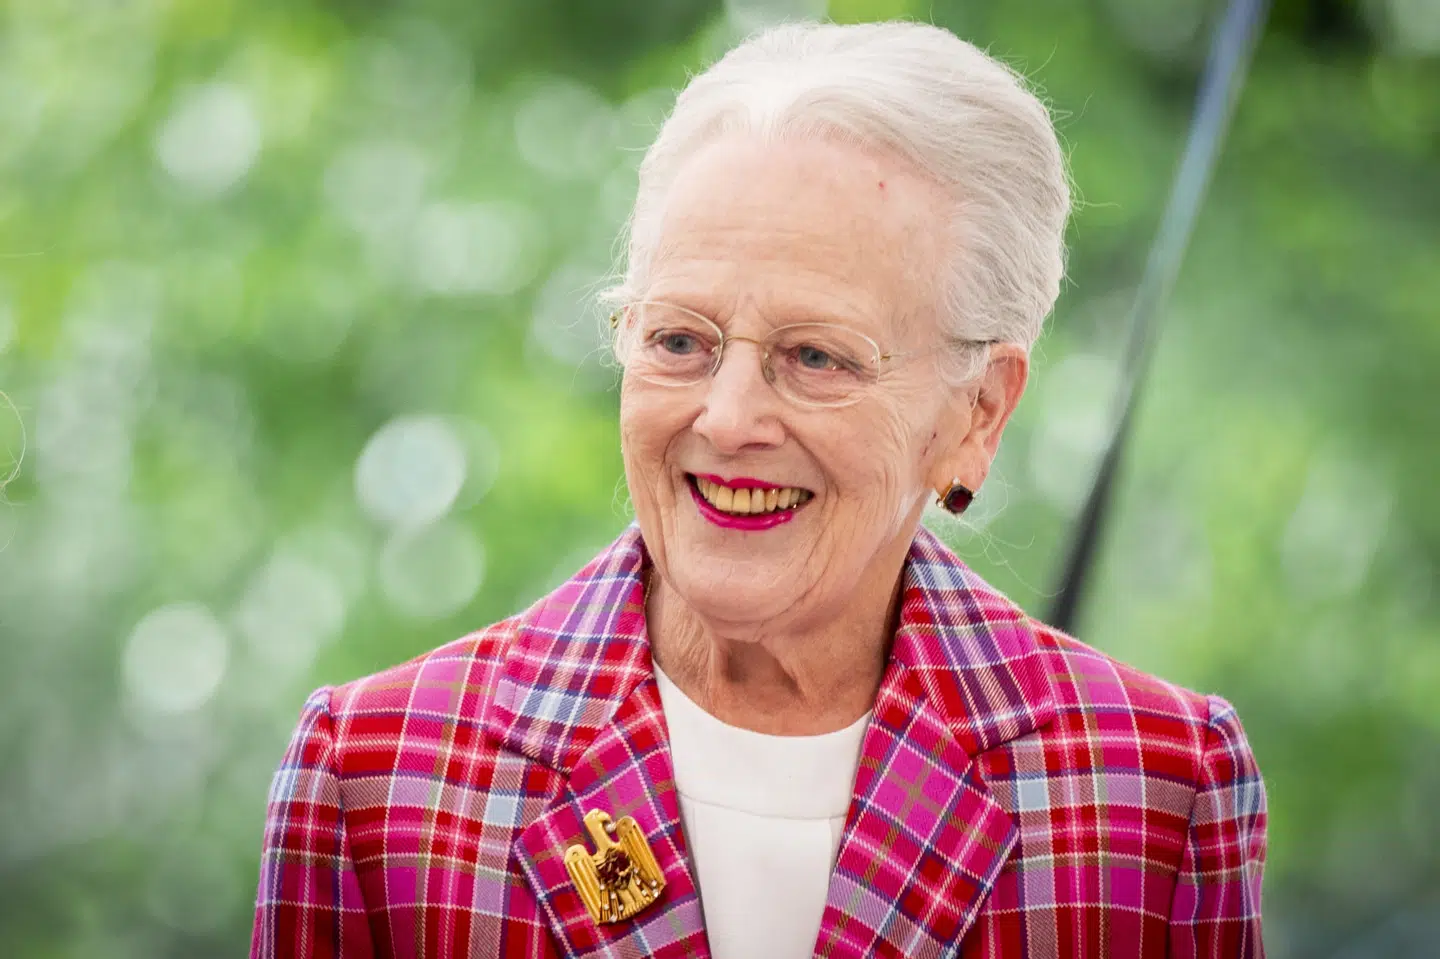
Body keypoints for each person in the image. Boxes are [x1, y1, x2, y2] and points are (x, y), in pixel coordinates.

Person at [251, 20, 1266, 959]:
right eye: (679, 340)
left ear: (978, 415)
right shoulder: (380, 776)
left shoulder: (1155, 790)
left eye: (816, 355)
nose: (728, 417)